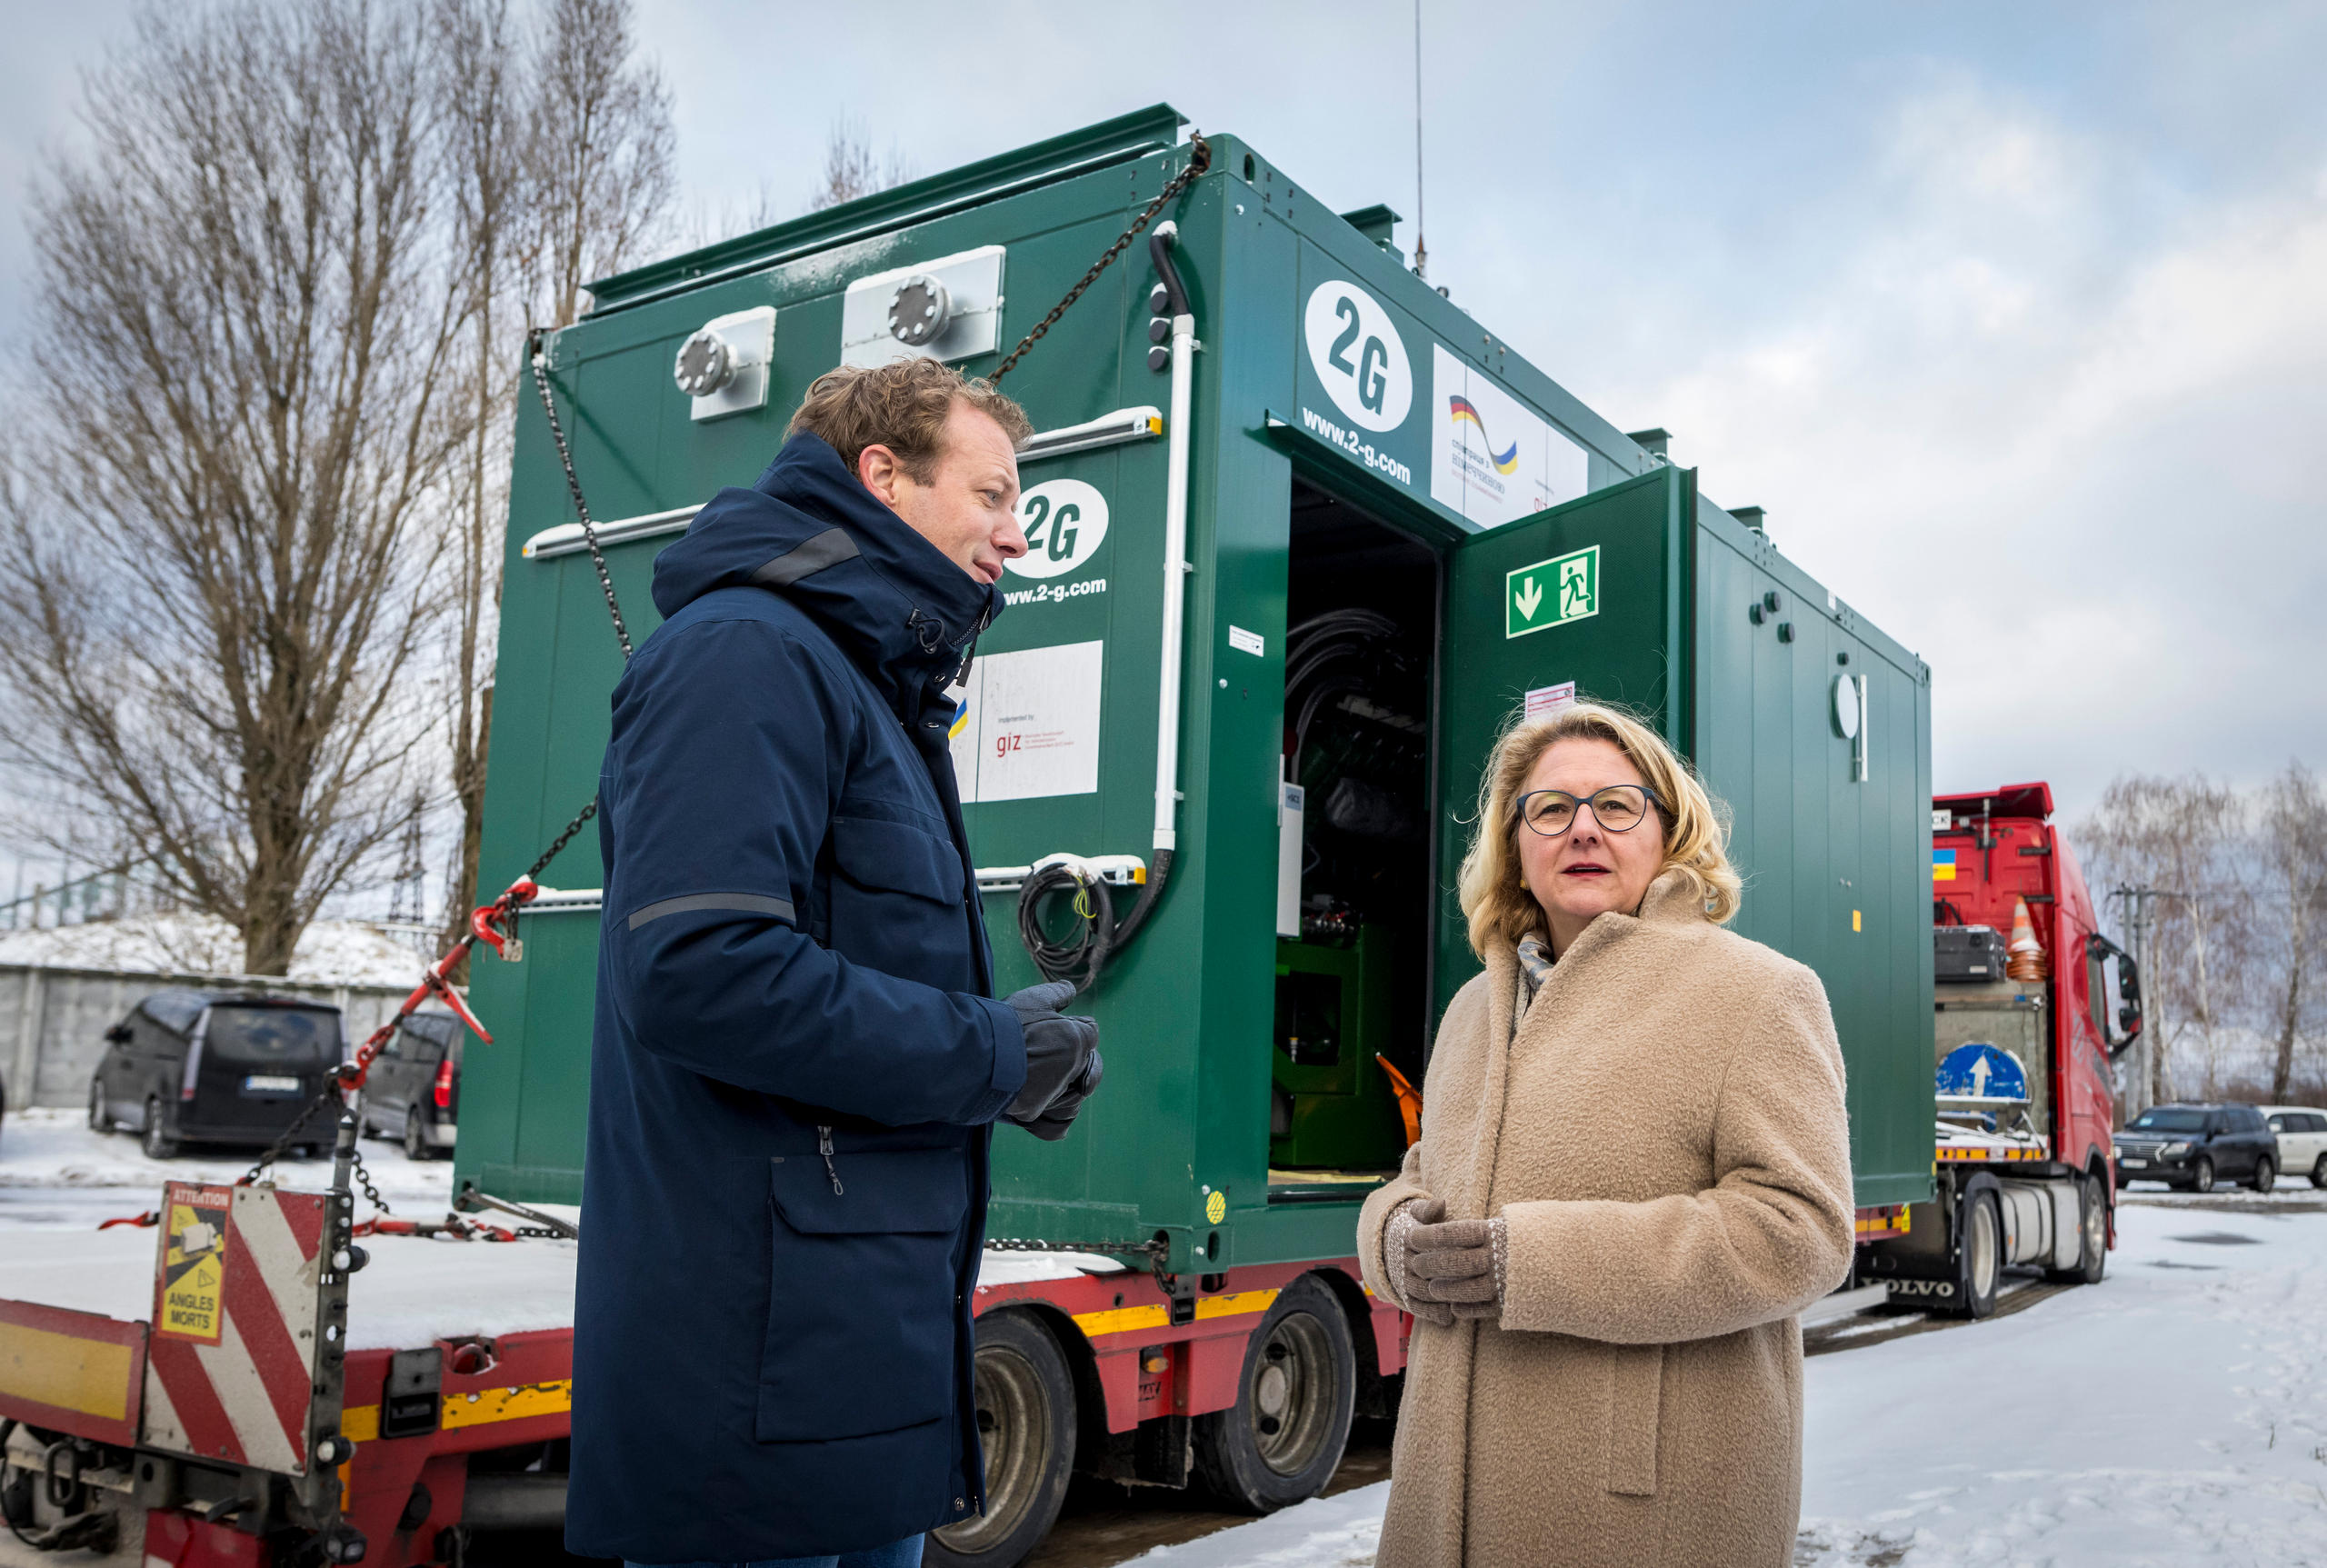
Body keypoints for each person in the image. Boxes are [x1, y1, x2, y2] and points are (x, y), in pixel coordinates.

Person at [567, 359, 1104, 1568]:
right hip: (753, 1420)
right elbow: (705, 972)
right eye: (994, 495)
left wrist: (1003, 1054)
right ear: (883, 476)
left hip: (840, 1398)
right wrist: (992, 1053)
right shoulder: (746, 655)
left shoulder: (860, 683)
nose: (1016, 537)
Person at [1357, 701, 1853, 1568]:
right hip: (1445, 1497)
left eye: (1616, 805)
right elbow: (1420, 1174)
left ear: (1669, 831)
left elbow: (1800, 1232)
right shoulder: (1474, 1007)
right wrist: (1394, 1240)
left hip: (1640, 1508)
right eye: (1551, 808)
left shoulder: (1759, 991)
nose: (1582, 827)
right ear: (1516, 841)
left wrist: (1533, 1260)